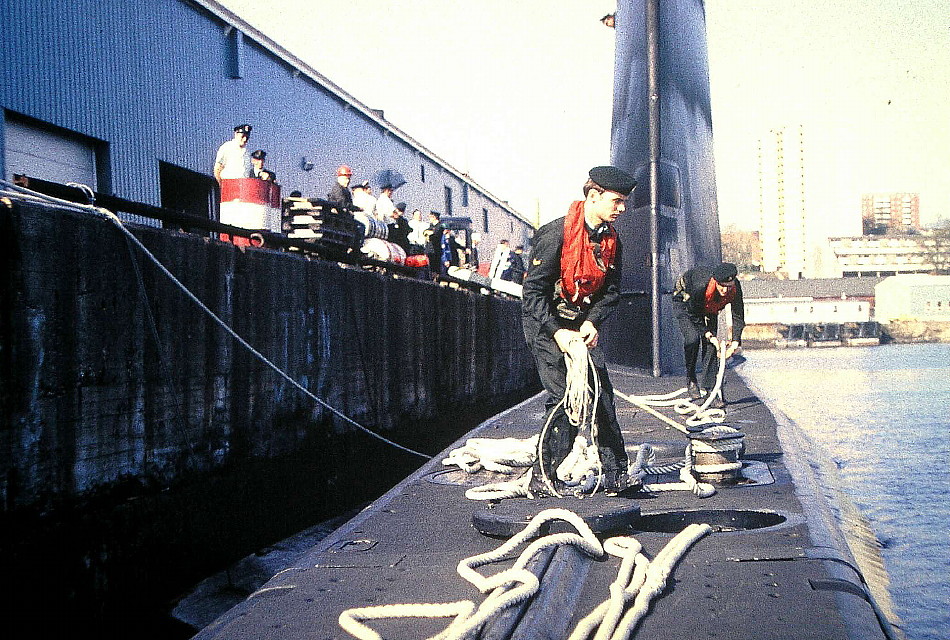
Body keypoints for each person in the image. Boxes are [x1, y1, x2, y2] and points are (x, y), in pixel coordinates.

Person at [521, 165, 636, 497]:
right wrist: (558, 332)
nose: (622, 209)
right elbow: (533, 294)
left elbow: (611, 291)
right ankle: (543, 475)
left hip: (580, 322)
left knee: (602, 395)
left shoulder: (611, 241)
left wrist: (591, 321)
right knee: (563, 397)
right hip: (546, 322)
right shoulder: (554, 234)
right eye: (616, 201)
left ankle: (616, 473)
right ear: (594, 195)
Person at [672, 262, 745, 408]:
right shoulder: (700, 286)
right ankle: (691, 377)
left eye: (728, 286)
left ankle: (710, 388)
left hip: (710, 306)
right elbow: (693, 314)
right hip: (687, 304)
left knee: (712, 347)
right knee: (692, 339)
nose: (725, 290)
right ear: (716, 282)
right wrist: (708, 334)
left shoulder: (734, 287)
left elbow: (738, 315)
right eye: (722, 286)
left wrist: (735, 341)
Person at [424, 212, 444, 277]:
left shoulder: (440, 226)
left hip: (435, 251)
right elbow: (425, 232)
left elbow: (435, 236)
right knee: (430, 268)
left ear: (434, 217)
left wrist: (429, 234)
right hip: (429, 250)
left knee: (436, 269)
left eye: (430, 217)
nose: (429, 219)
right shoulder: (431, 226)